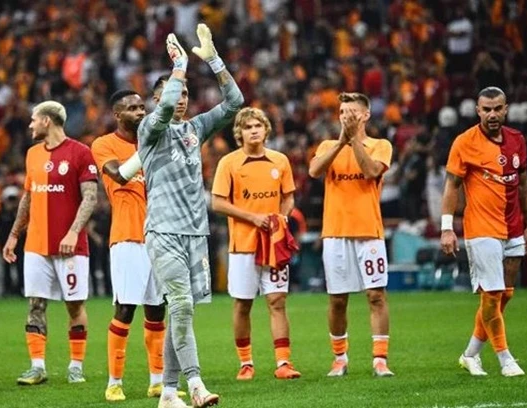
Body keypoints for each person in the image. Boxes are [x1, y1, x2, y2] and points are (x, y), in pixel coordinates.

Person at [138, 25, 243, 408]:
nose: (180, 99)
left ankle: (168, 392)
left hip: (195, 234)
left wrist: (213, 60)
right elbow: (165, 110)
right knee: (181, 305)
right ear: (156, 98)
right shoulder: (149, 130)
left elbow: (235, 102)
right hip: (163, 231)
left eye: (184, 93)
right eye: (174, 92)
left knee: (181, 312)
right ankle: (196, 385)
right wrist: (179, 67)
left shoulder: (195, 129)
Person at [2, 101, 98, 386]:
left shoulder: (80, 152)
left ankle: (76, 366)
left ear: (47, 120)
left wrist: (73, 232)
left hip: (71, 247)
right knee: (35, 304)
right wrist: (14, 234)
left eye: (34, 119)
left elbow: (90, 197)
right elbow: (28, 197)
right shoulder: (32, 154)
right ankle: (37, 367)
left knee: (74, 305)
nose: (30, 125)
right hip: (36, 245)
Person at [440, 86, 527, 377]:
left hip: (514, 226)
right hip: (481, 228)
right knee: (492, 295)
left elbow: (524, 184)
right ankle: (505, 359)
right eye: (486, 109)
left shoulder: (517, 140)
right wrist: (447, 228)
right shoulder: (465, 142)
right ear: (478, 110)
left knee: (505, 295)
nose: (492, 114)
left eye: (497, 108)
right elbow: (451, 186)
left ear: (506, 109)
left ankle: (470, 354)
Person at [91, 89, 171, 401]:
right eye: (133, 108)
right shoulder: (104, 144)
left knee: (157, 309)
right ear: (117, 114)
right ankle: (114, 382)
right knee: (125, 309)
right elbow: (118, 175)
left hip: (159, 236)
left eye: (142, 107)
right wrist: (149, 145)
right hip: (127, 237)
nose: (140, 112)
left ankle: (157, 381)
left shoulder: (155, 142)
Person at [308, 93, 394, 378]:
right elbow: (314, 170)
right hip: (335, 232)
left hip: (369, 230)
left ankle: (380, 360)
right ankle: (339, 359)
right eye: (343, 112)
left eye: (352, 112)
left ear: (365, 115)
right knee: (337, 299)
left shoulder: (381, 145)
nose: (346, 116)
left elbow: (370, 171)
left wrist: (354, 140)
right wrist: (341, 142)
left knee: (376, 295)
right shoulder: (327, 146)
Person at [211, 107, 301, 381]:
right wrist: (253, 218)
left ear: (266, 130)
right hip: (243, 245)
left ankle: (283, 363)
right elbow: (218, 203)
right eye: (248, 127)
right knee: (243, 304)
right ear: (239, 132)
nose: (253, 130)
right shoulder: (228, 163)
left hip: (273, 244)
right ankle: (246, 363)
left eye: (258, 126)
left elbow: (288, 196)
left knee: (277, 301)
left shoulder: (280, 161)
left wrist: (281, 218)